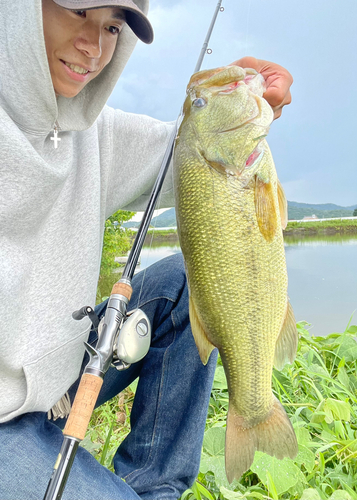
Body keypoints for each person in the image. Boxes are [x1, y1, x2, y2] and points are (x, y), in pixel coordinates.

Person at [0, 0, 293, 499]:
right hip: (6, 419)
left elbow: (204, 163)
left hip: (63, 379)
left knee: (182, 281)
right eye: (77, 12)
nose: (93, 45)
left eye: (111, 26)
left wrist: (241, 94)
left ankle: (153, 486)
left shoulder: (99, 132)